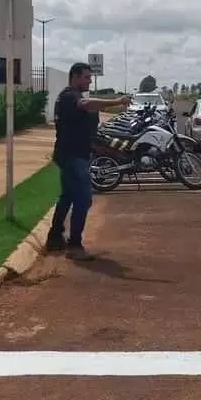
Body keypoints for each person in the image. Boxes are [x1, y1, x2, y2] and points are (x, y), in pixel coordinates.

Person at [46, 62, 131, 260]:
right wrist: (116, 101)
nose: (90, 81)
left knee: (67, 196)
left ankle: (55, 236)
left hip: (71, 154)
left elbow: (83, 131)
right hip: (73, 157)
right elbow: (86, 105)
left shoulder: (69, 97)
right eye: (86, 77)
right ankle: (74, 245)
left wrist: (107, 150)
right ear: (75, 77)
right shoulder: (69, 96)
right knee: (83, 199)